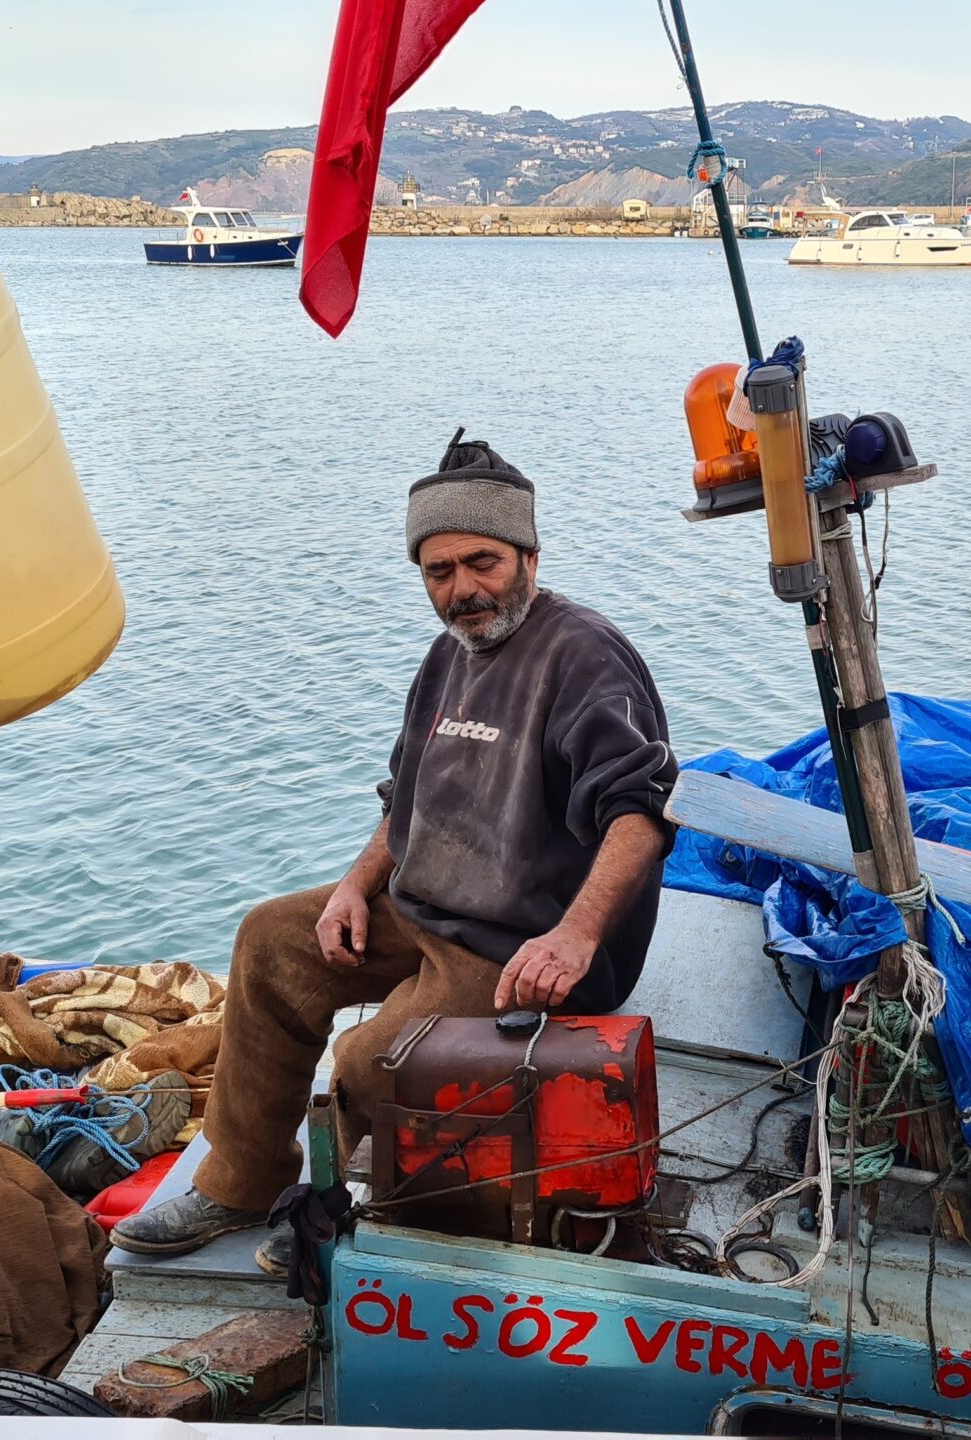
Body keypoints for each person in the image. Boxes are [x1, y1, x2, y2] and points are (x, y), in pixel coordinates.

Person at [112, 433, 677, 1267]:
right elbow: (405, 800)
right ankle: (241, 1182)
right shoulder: (448, 657)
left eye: (481, 562)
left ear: (528, 554)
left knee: (369, 1061)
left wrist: (576, 935)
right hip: (425, 910)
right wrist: (354, 885)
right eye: (438, 571)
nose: (462, 590)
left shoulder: (582, 655)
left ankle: (338, 1216)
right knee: (270, 941)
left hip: (520, 944)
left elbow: (643, 813)